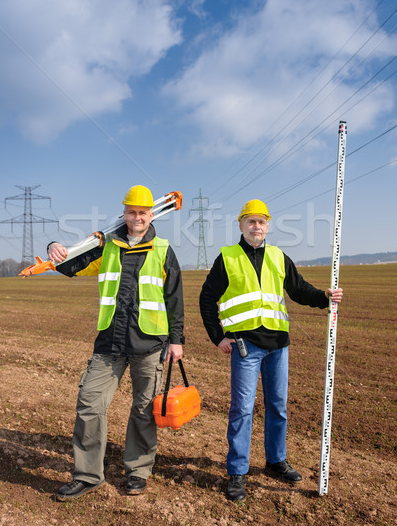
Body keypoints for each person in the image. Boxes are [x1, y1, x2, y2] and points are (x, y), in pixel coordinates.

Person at [199, 199, 343, 502]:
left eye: (261, 222)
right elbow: (206, 298)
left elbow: (299, 289)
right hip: (245, 347)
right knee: (242, 409)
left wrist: (325, 298)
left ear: (268, 226)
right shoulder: (227, 258)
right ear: (240, 225)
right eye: (251, 221)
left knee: (278, 406)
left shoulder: (279, 256)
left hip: (278, 346)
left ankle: (276, 461)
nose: (256, 227)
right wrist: (217, 337)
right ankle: (237, 472)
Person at [48, 185, 184, 501]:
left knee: (143, 411)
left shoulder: (163, 250)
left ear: (152, 215)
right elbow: (69, 265)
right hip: (110, 342)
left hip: (149, 343)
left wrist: (176, 341)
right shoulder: (106, 246)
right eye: (131, 212)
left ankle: (137, 472)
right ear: (124, 214)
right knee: (90, 404)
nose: (137, 217)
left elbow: (174, 299)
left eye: (143, 212)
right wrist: (55, 246)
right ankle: (87, 476)